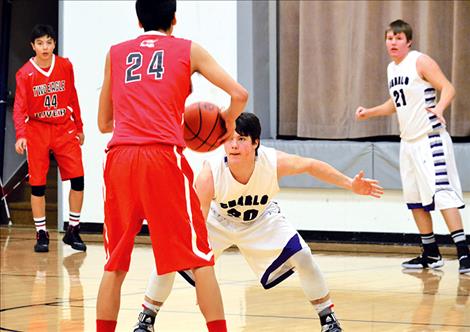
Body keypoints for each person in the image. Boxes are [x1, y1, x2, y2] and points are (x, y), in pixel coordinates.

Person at [133, 112, 384, 332]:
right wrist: (202, 274)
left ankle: (328, 318)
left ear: (255, 143)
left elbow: (310, 165)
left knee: (303, 256)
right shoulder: (209, 172)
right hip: (217, 221)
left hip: (261, 219)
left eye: (241, 139)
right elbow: (197, 220)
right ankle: (146, 318)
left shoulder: (272, 162)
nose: (234, 145)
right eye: (229, 139)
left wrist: (350, 183)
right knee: (168, 256)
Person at [95, 1, 248, 331]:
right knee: (199, 257)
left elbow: (104, 122)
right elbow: (239, 93)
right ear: (174, 19)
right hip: (162, 159)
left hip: (119, 159)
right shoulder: (188, 50)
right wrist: (225, 124)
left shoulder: (115, 53)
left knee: (114, 265)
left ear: (138, 20)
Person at [355, 19, 469, 274]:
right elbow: (395, 104)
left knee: (443, 195)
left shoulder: (420, 61)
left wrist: (439, 107)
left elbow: (448, 88)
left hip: (430, 139)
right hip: (408, 143)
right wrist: (369, 112)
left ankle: (464, 254)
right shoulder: (391, 69)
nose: (393, 42)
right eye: (389, 38)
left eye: (398, 38)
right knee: (415, 200)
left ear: (408, 42)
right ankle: (430, 253)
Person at [13, 24, 87, 253]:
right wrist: (20, 135)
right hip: (37, 129)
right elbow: (19, 108)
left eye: (48, 42)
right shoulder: (25, 73)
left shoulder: (65, 66)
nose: (45, 47)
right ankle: (41, 232)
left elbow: (72, 95)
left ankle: (73, 229)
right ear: (33, 46)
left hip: (63, 127)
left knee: (78, 179)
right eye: (40, 43)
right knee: (38, 185)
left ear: (54, 43)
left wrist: (79, 125)